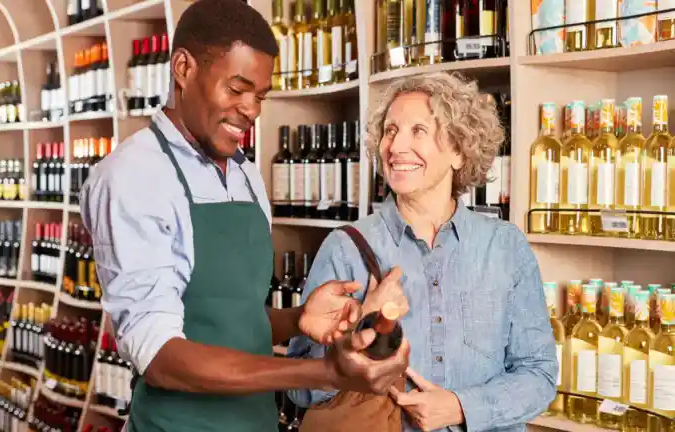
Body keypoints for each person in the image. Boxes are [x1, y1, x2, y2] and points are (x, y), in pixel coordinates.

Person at [79, 0, 410, 431]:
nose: (252, 110)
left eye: (259, 96)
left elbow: (224, 319)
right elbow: (161, 358)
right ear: (183, 68)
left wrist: (298, 319)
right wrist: (325, 373)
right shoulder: (133, 177)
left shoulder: (245, 174)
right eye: (236, 89)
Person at [287, 72, 558, 431]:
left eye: (418, 131)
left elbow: (539, 375)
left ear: (459, 151)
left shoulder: (505, 247)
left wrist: (462, 407)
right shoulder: (346, 247)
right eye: (390, 130)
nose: (396, 147)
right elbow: (299, 388)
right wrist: (360, 326)